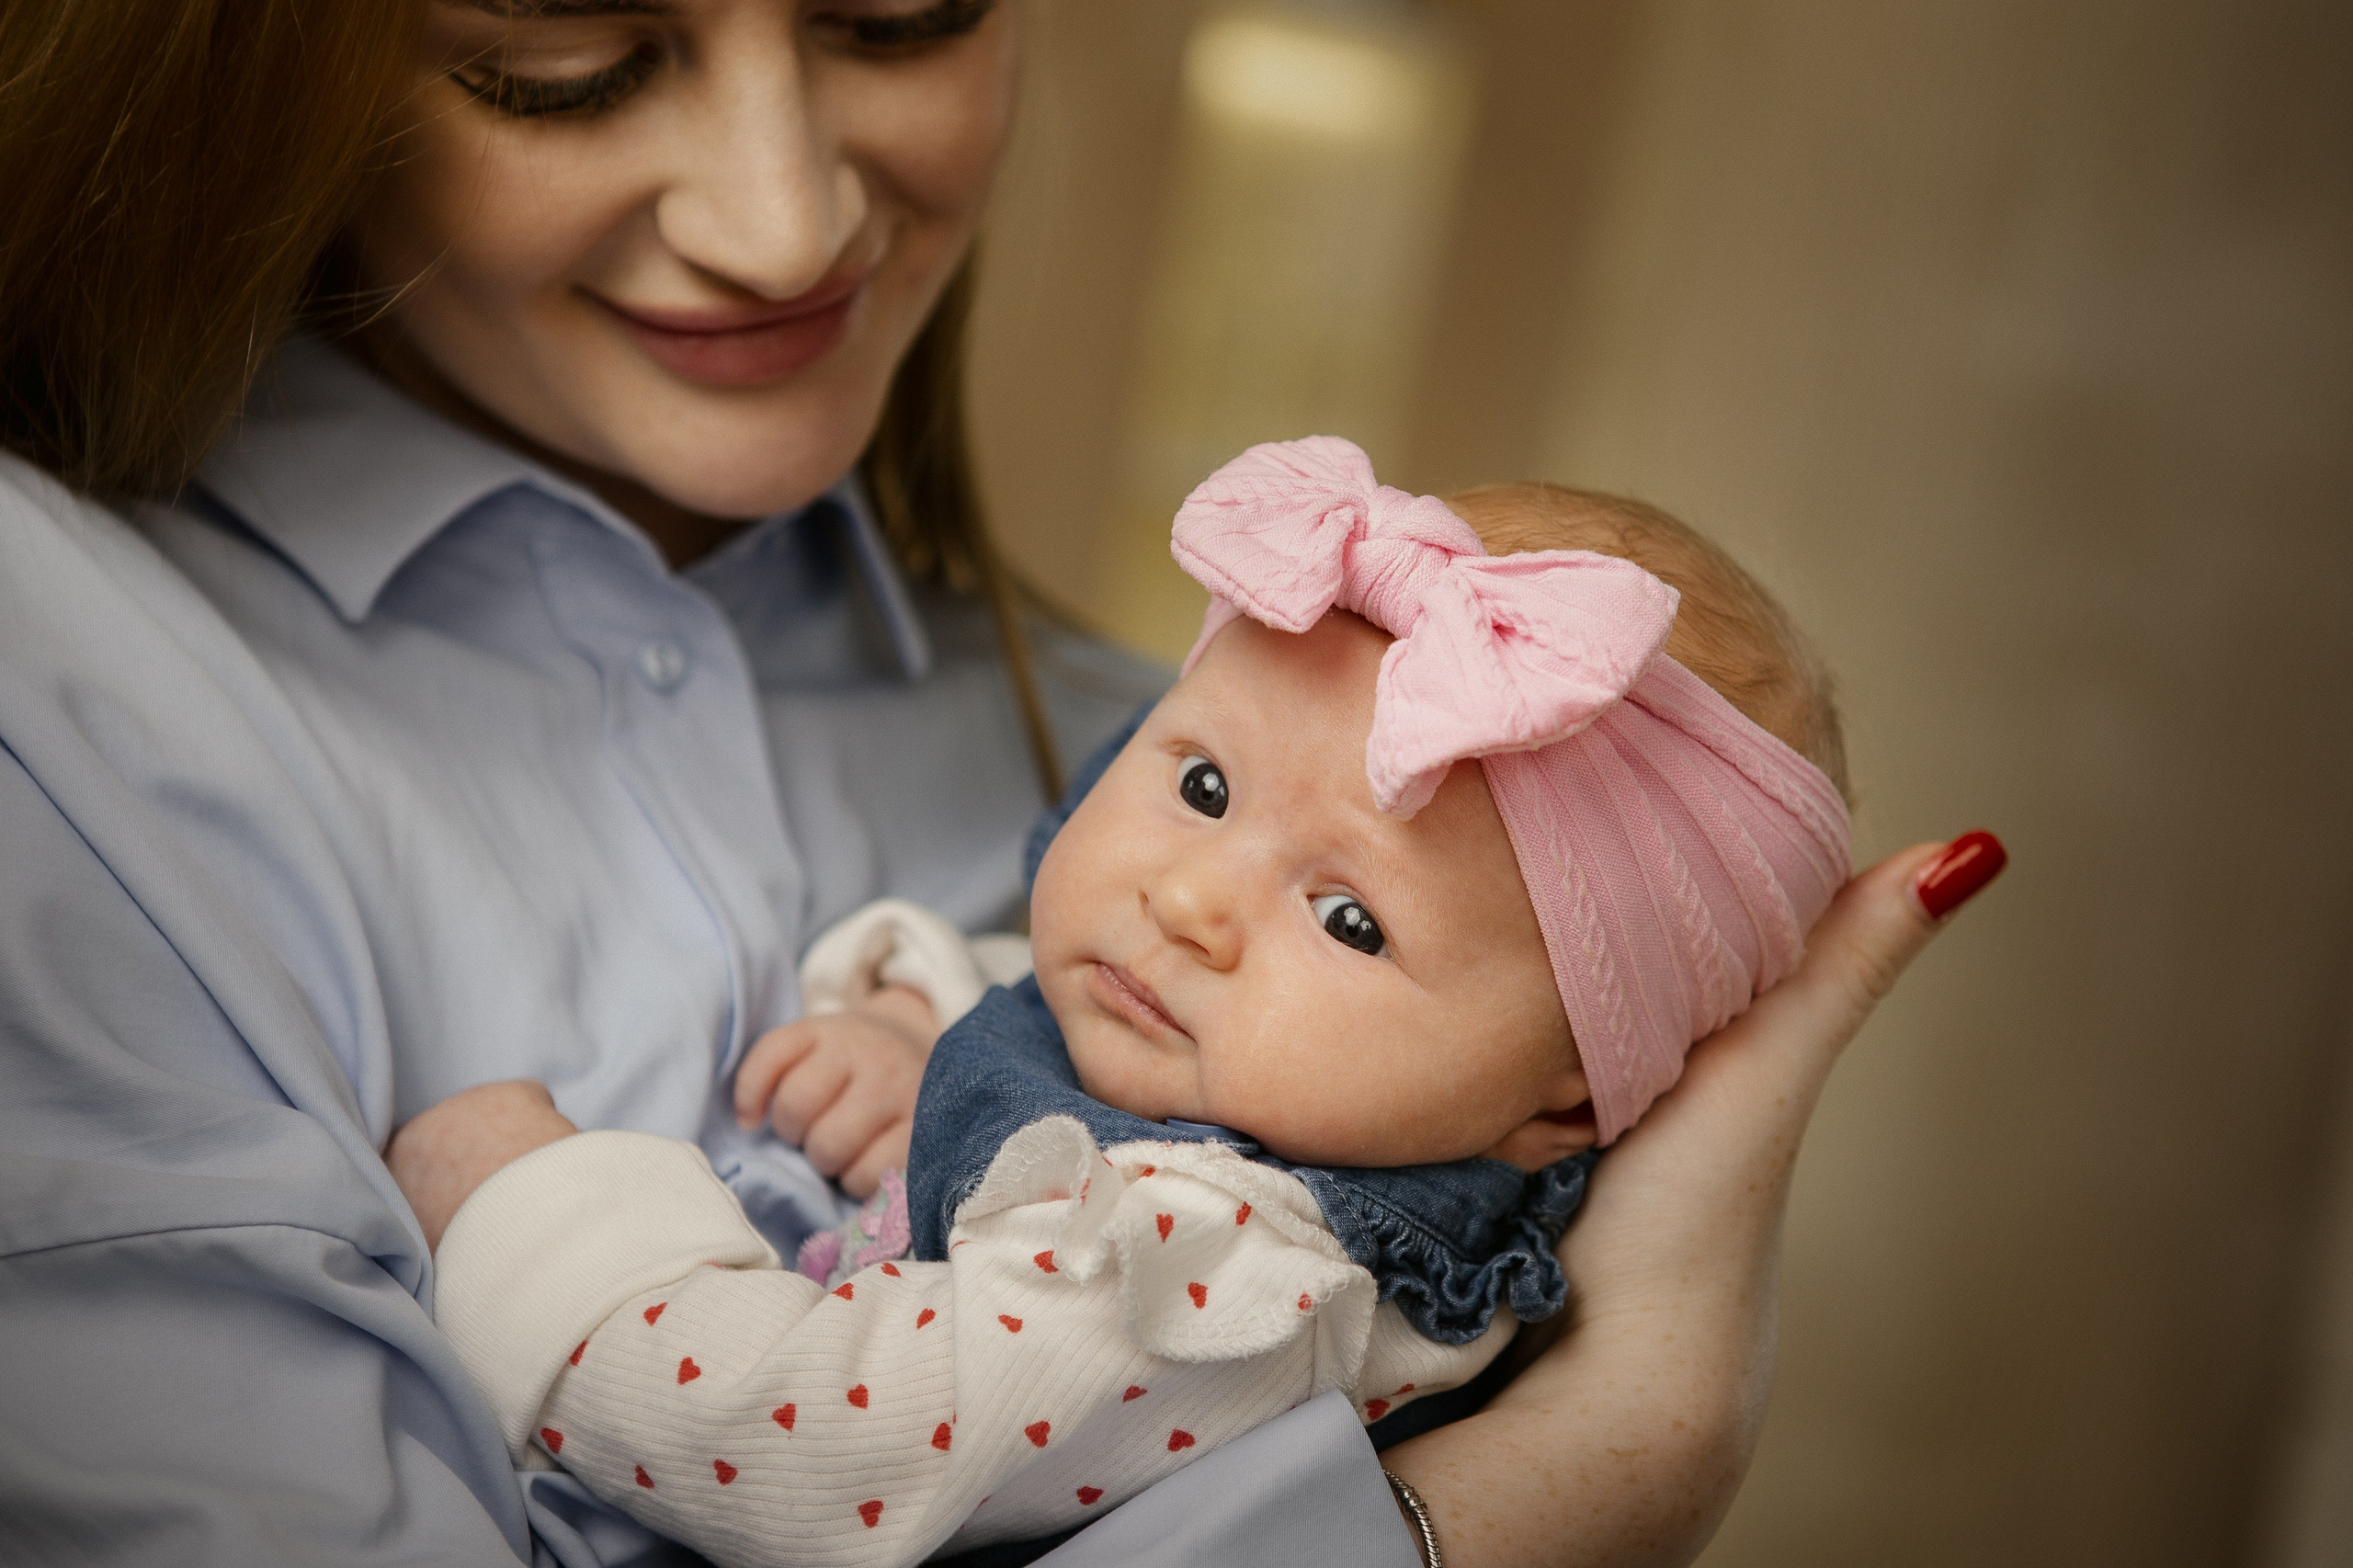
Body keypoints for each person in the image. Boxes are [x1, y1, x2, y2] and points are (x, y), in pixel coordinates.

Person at [0, 3, 2008, 1566]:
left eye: (899, 12)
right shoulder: (66, 686)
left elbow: (820, 1427)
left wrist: (538, 1209)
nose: (785, 220)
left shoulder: (1146, 820)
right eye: (568, 65)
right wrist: (1579, 1484)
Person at [385, 438, 1866, 1568]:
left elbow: (832, 1443)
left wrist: (540, 1221)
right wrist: (934, 1043)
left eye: (1349, 918)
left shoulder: (1238, 1270)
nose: (1189, 903)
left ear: (1561, 1103)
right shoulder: (1206, 1093)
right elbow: (1075, 1116)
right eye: (1203, 785)